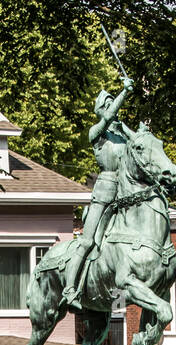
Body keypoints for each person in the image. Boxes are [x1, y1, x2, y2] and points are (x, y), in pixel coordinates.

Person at [61, 76, 136, 306]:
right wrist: (124, 93)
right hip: (104, 191)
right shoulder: (97, 133)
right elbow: (108, 118)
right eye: (109, 105)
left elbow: (139, 143)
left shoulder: (122, 135)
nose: (114, 111)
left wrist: (125, 126)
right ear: (102, 109)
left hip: (125, 193)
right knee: (87, 241)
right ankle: (70, 289)